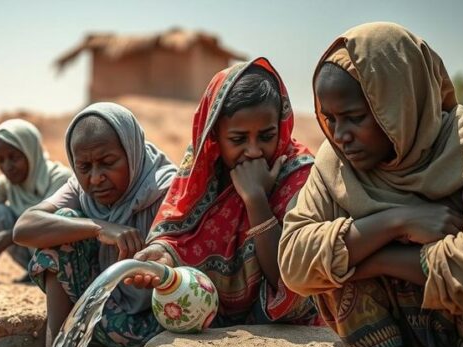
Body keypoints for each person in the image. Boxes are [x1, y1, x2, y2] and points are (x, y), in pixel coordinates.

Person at [278, 22, 463, 347]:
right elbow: (294, 261)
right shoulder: (336, 166)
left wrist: (375, 258)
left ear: (400, 102)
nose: (340, 135)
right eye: (330, 118)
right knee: (326, 263)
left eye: (355, 118)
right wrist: (397, 222)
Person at [127, 59, 320, 327]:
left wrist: (255, 199)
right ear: (216, 135)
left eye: (266, 136)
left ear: (282, 125)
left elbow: (288, 280)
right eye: (238, 139)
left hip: (281, 323)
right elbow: (177, 229)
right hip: (214, 315)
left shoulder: (299, 174)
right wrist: (164, 253)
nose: (253, 151)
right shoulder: (203, 166)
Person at [13, 102, 177, 347]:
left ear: (131, 152)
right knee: (61, 228)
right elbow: (24, 226)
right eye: (84, 167)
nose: (96, 178)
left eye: (108, 163)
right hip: (100, 320)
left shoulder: (165, 188)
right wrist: (101, 227)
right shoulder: (79, 189)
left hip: (162, 329)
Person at [0, 119, 71, 280]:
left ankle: (50, 273)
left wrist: (9, 236)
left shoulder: (60, 178)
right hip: (29, 249)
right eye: (1, 159)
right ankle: (35, 271)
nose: (7, 166)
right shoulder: (5, 184)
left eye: (14, 157)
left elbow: (47, 222)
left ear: (30, 152)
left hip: (65, 260)